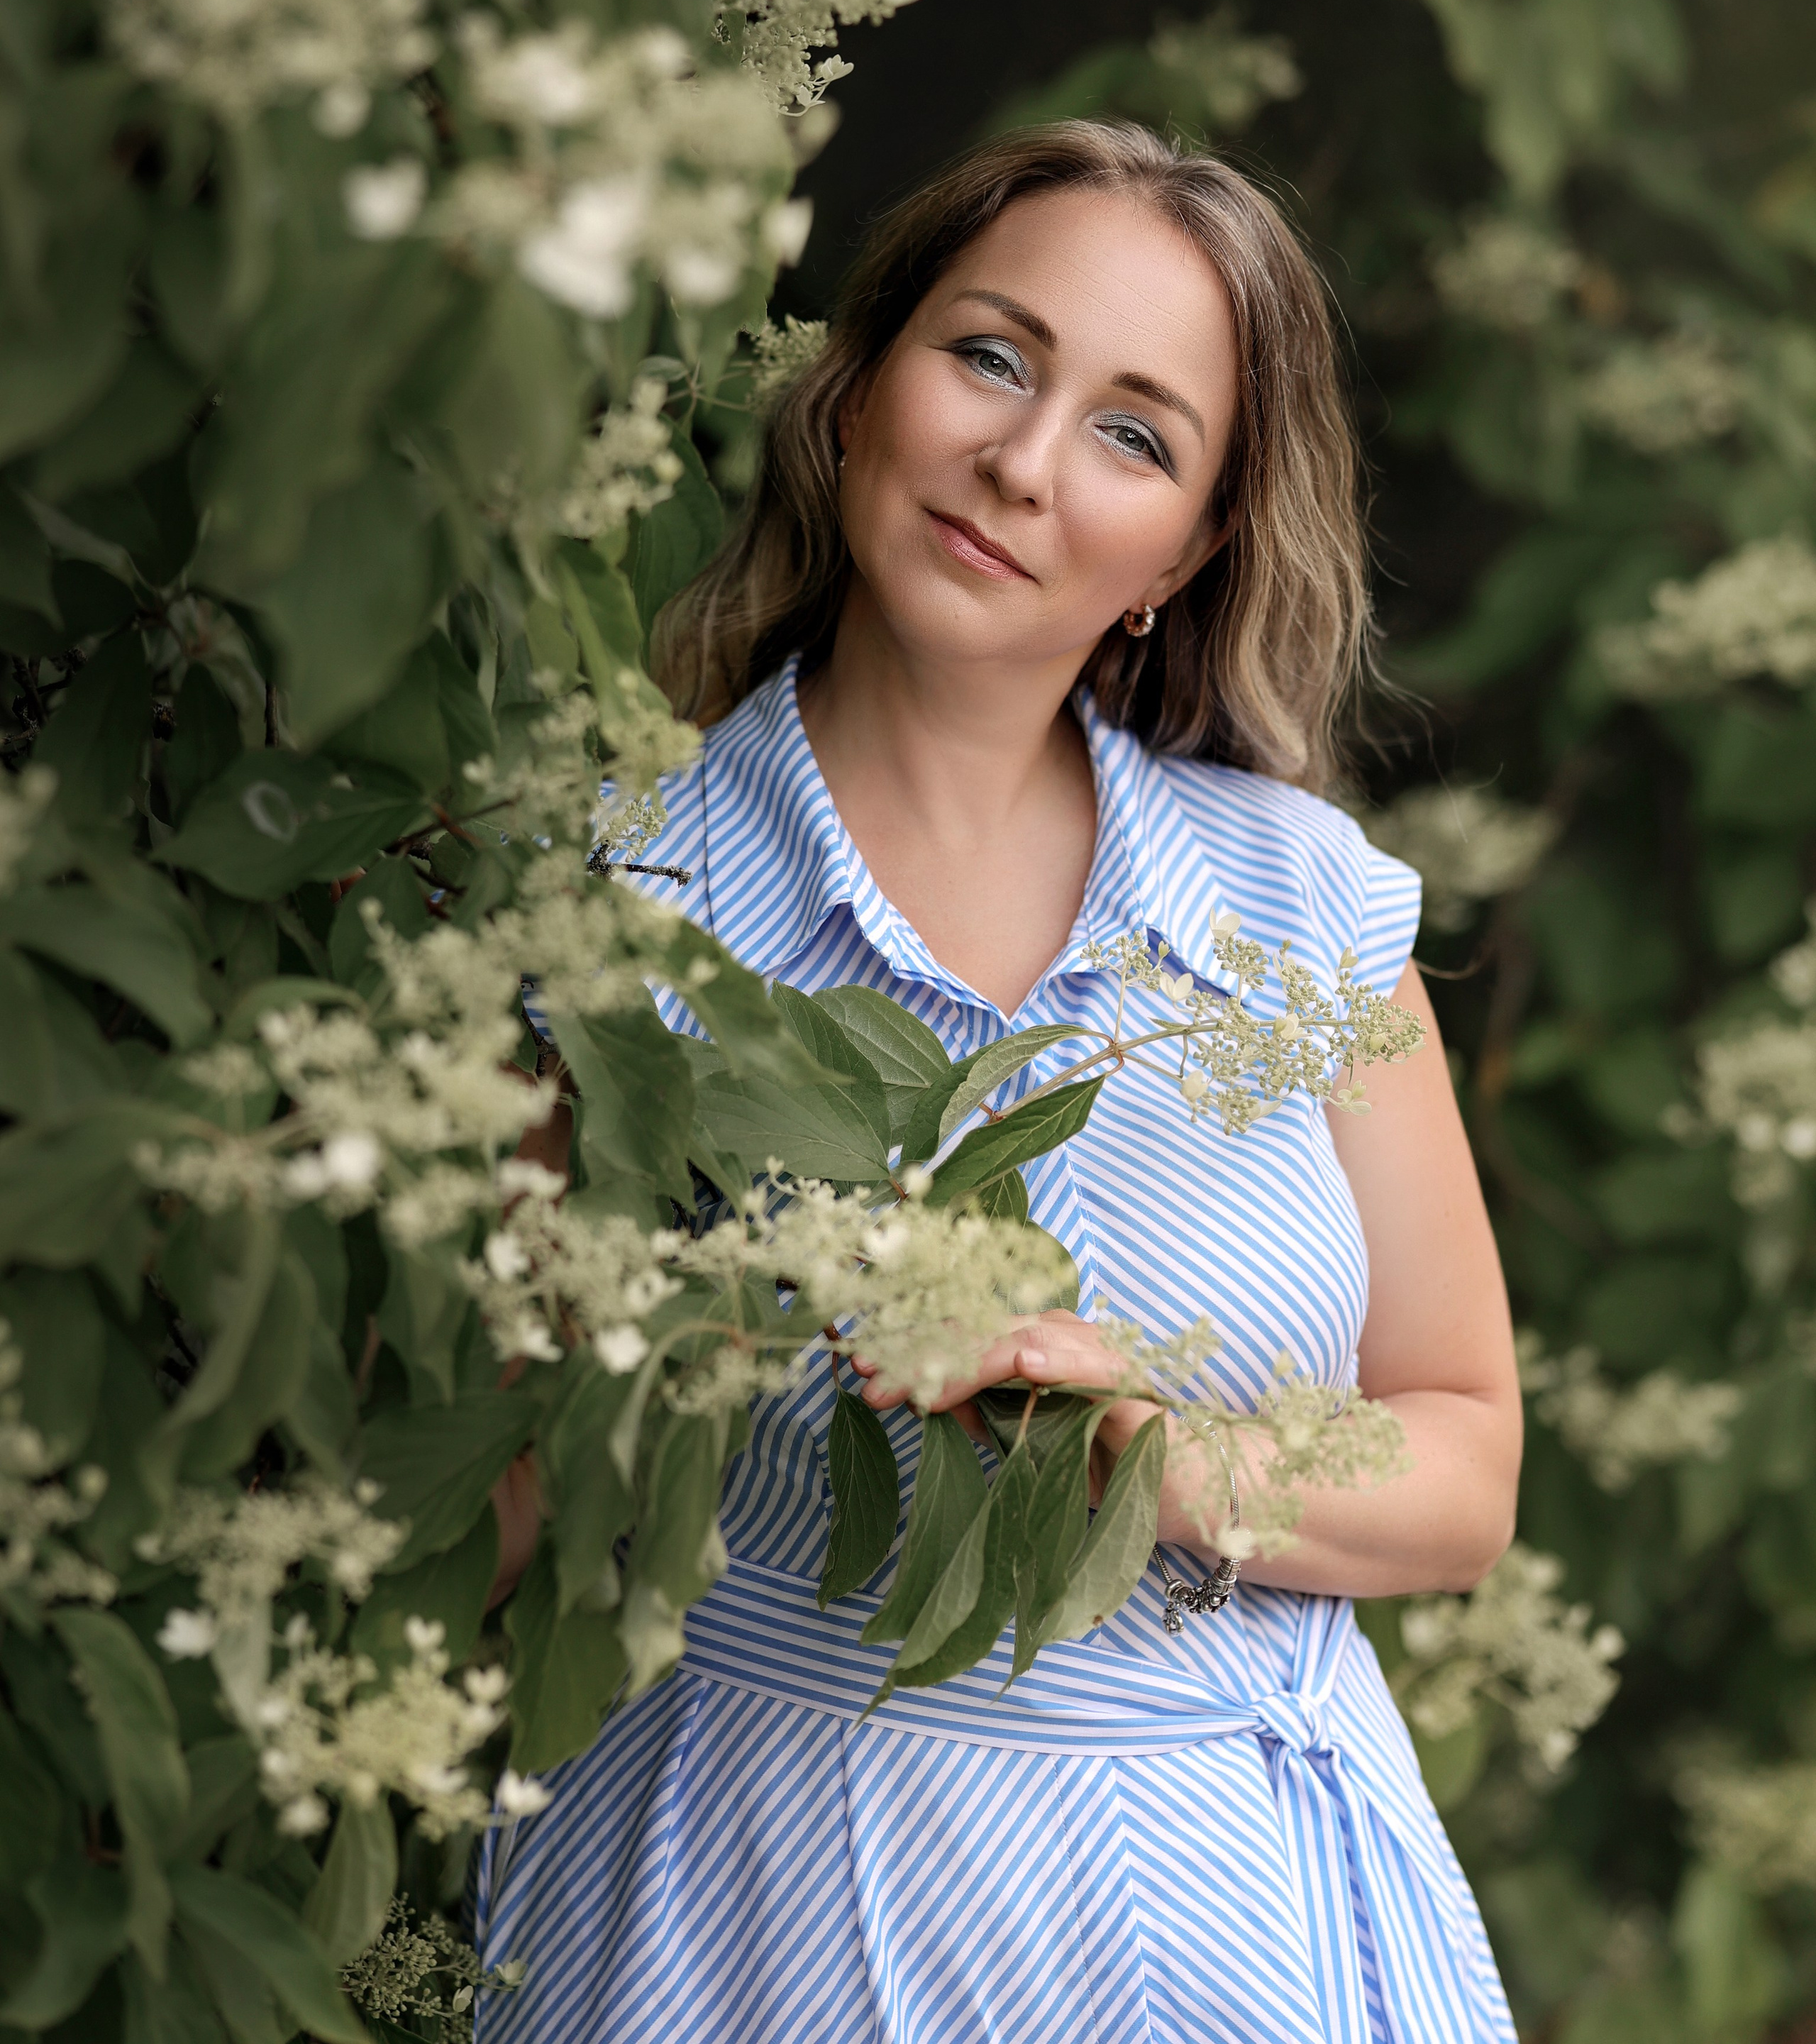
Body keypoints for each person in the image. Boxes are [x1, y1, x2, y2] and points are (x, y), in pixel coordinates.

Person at [475, 121, 1524, 2043]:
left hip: (1248, 1922)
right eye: (991, 358)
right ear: (859, 388)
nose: (1025, 466)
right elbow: (500, 1501)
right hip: (756, 1902)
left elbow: (1460, 1456)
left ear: (1189, 548)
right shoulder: (612, 892)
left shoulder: (1299, 907)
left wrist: (1179, 1457)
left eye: (1136, 433)